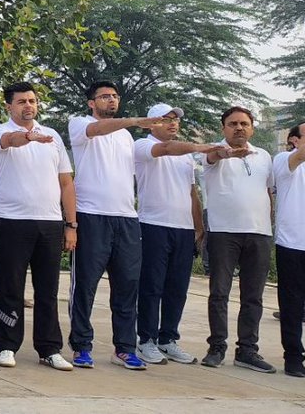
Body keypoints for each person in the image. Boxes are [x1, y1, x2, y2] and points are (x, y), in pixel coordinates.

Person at [67, 81, 170, 371]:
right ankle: (81, 346)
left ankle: (124, 348)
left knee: (127, 287)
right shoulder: (80, 124)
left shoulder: (126, 137)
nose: (110, 101)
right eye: (103, 97)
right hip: (91, 215)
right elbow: (97, 130)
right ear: (91, 102)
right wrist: (138, 120)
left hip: (126, 218)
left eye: (114, 96)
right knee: (84, 286)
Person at [0, 81, 76, 371]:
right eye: (22, 101)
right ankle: (6, 345)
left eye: (32, 101)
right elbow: (11, 141)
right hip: (13, 220)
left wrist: (71, 224)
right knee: (11, 285)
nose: (28, 105)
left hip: (50, 222)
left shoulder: (52, 135)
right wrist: (28, 137)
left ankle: (49, 348)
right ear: (9, 106)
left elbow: (65, 181)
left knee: (48, 289)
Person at [133, 103, 209, 365]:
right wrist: (201, 147)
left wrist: (198, 227)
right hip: (153, 225)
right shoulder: (143, 146)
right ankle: (146, 340)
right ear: (153, 122)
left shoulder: (186, 157)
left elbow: (191, 193)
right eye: (166, 119)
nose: (173, 124)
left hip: (183, 229)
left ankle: (168, 339)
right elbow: (165, 149)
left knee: (177, 288)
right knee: (152, 286)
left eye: (176, 120)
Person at [200, 106, 276, 373]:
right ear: (224, 128)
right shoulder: (214, 152)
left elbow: (270, 191)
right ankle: (217, 346)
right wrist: (227, 153)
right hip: (224, 232)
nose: (239, 128)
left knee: (253, 296)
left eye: (244, 123)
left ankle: (247, 350)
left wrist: (271, 220)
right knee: (219, 292)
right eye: (232, 124)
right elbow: (212, 158)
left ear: (252, 128)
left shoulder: (264, 156)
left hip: (259, 232)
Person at [275, 124, 305, 378]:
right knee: (292, 305)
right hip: (293, 244)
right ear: (294, 140)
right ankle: (293, 356)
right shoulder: (285, 160)